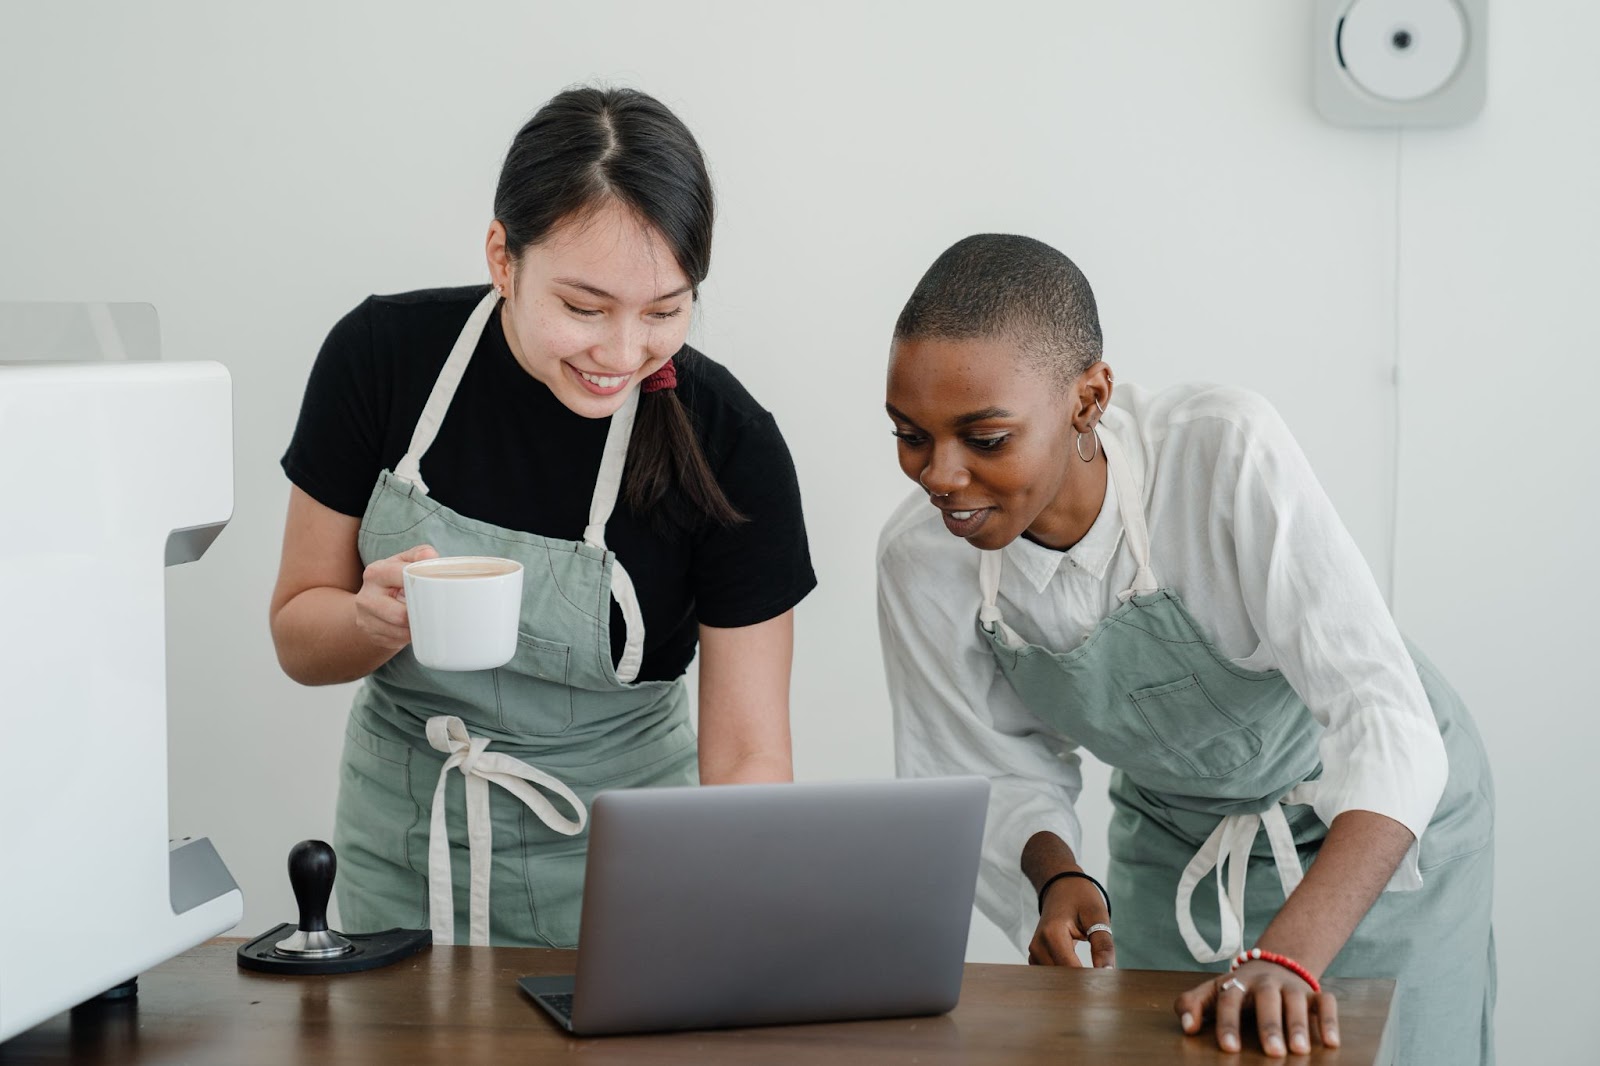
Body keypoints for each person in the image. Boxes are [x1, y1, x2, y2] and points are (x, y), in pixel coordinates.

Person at [877, 234, 1494, 1062]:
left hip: (1374, 826)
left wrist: (1287, 957)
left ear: (1089, 399)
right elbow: (980, 770)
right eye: (911, 435)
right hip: (1176, 839)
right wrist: (1059, 879)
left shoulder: (1221, 452)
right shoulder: (920, 560)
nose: (941, 476)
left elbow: (1384, 721)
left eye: (985, 439)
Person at [270, 87, 815, 949]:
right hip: (406, 846)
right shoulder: (379, 359)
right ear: (503, 258)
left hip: (631, 868)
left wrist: (732, 926)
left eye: (665, 311)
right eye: (585, 308)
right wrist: (370, 622)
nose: (622, 353)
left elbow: (750, 756)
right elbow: (298, 636)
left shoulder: (731, 446)